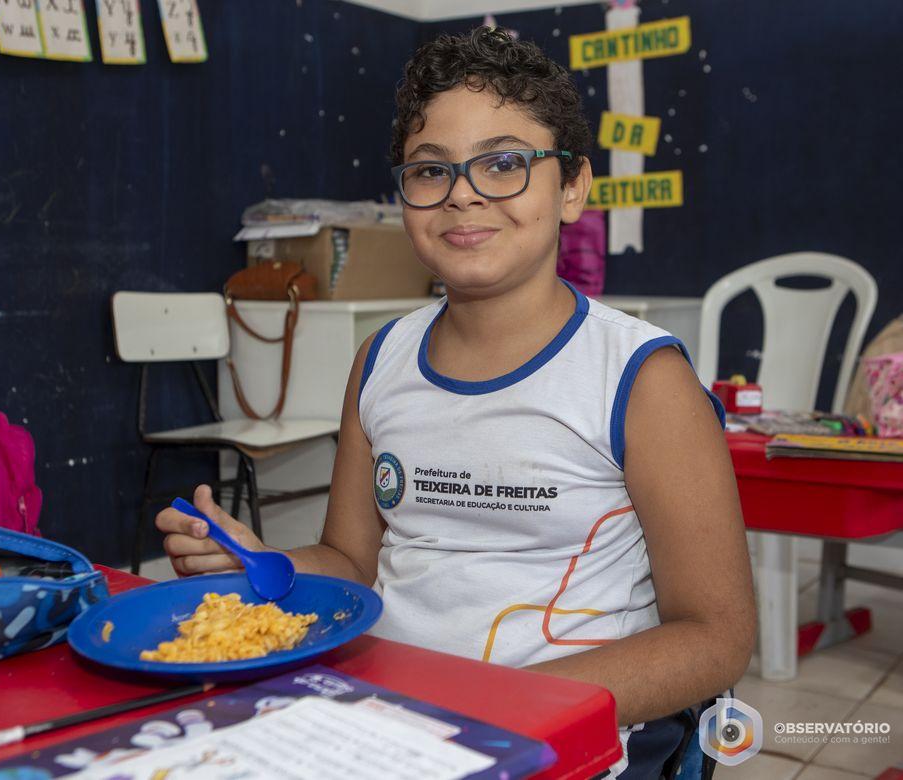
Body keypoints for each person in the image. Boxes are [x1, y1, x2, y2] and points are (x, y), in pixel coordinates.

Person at [158, 27, 755, 778]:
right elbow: (350, 560)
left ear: (573, 186)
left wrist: (493, 706)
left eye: (504, 163)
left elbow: (714, 637)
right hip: (398, 721)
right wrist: (257, 561)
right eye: (430, 170)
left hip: (567, 738)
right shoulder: (381, 360)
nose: (462, 193)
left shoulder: (640, 378)